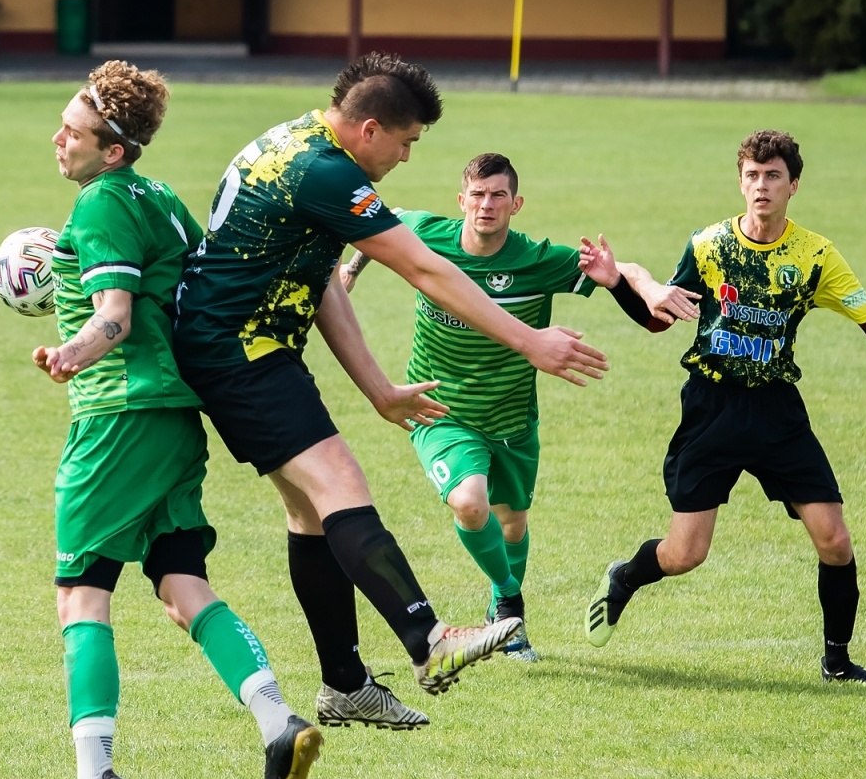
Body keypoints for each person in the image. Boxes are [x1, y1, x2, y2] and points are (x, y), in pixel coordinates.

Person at [172, 53, 609, 730]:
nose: (406, 158)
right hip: (237, 351)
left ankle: (345, 684)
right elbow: (426, 268)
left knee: (313, 513)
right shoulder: (324, 172)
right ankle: (429, 641)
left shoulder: (299, 143)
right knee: (342, 484)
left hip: (249, 346)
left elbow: (316, 278)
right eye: (406, 143)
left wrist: (377, 387)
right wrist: (529, 341)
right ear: (370, 128)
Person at [33, 61, 321, 779]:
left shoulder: (99, 203)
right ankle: (276, 722)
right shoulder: (158, 199)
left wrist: (69, 354)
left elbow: (115, 318)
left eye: (73, 132)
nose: (58, 139)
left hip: (117, 417)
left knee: (81, 592)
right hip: (174, 420)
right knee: (177, 583)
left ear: (113, 151)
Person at [583, 129, 866, 685]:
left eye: (772, 176)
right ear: (739, 181)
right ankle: (624, 577)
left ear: (793, 185)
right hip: (711, 408)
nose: (761, 186)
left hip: (776, 412)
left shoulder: (816, 256)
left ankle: (837, 664)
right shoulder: (709, 245)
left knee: (834, 540)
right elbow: (660, 316)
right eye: (751, 175)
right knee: (686, 553)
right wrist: (617, 286)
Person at [341, 153, 696, 661]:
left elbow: (622, 270)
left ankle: (501, 614)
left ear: (516, 204)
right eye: (478, 195)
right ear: (460, 200)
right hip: (441, 410)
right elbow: (376, 218)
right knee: (468, 502)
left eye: (498, 196)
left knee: (512, 523)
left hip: (510, 418)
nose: (487, 205)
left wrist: (649, 286)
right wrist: (353, 268)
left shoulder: (535, 260)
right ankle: (511, 602)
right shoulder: (425, 234)